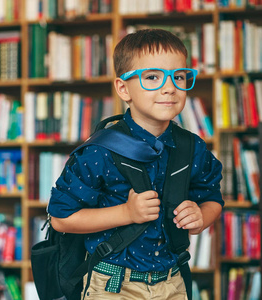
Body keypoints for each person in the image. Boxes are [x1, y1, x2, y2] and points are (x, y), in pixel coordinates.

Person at [47, 29, 224, 299]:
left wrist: (201, 217)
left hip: (172, 281)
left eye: (178, 76)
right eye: (152, 77)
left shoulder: (192, 148)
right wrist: (127, 213)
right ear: (123, 88)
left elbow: (212, 198)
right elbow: (61, 218)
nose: (169, 87)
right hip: (112, 284)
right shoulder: (99, 151)